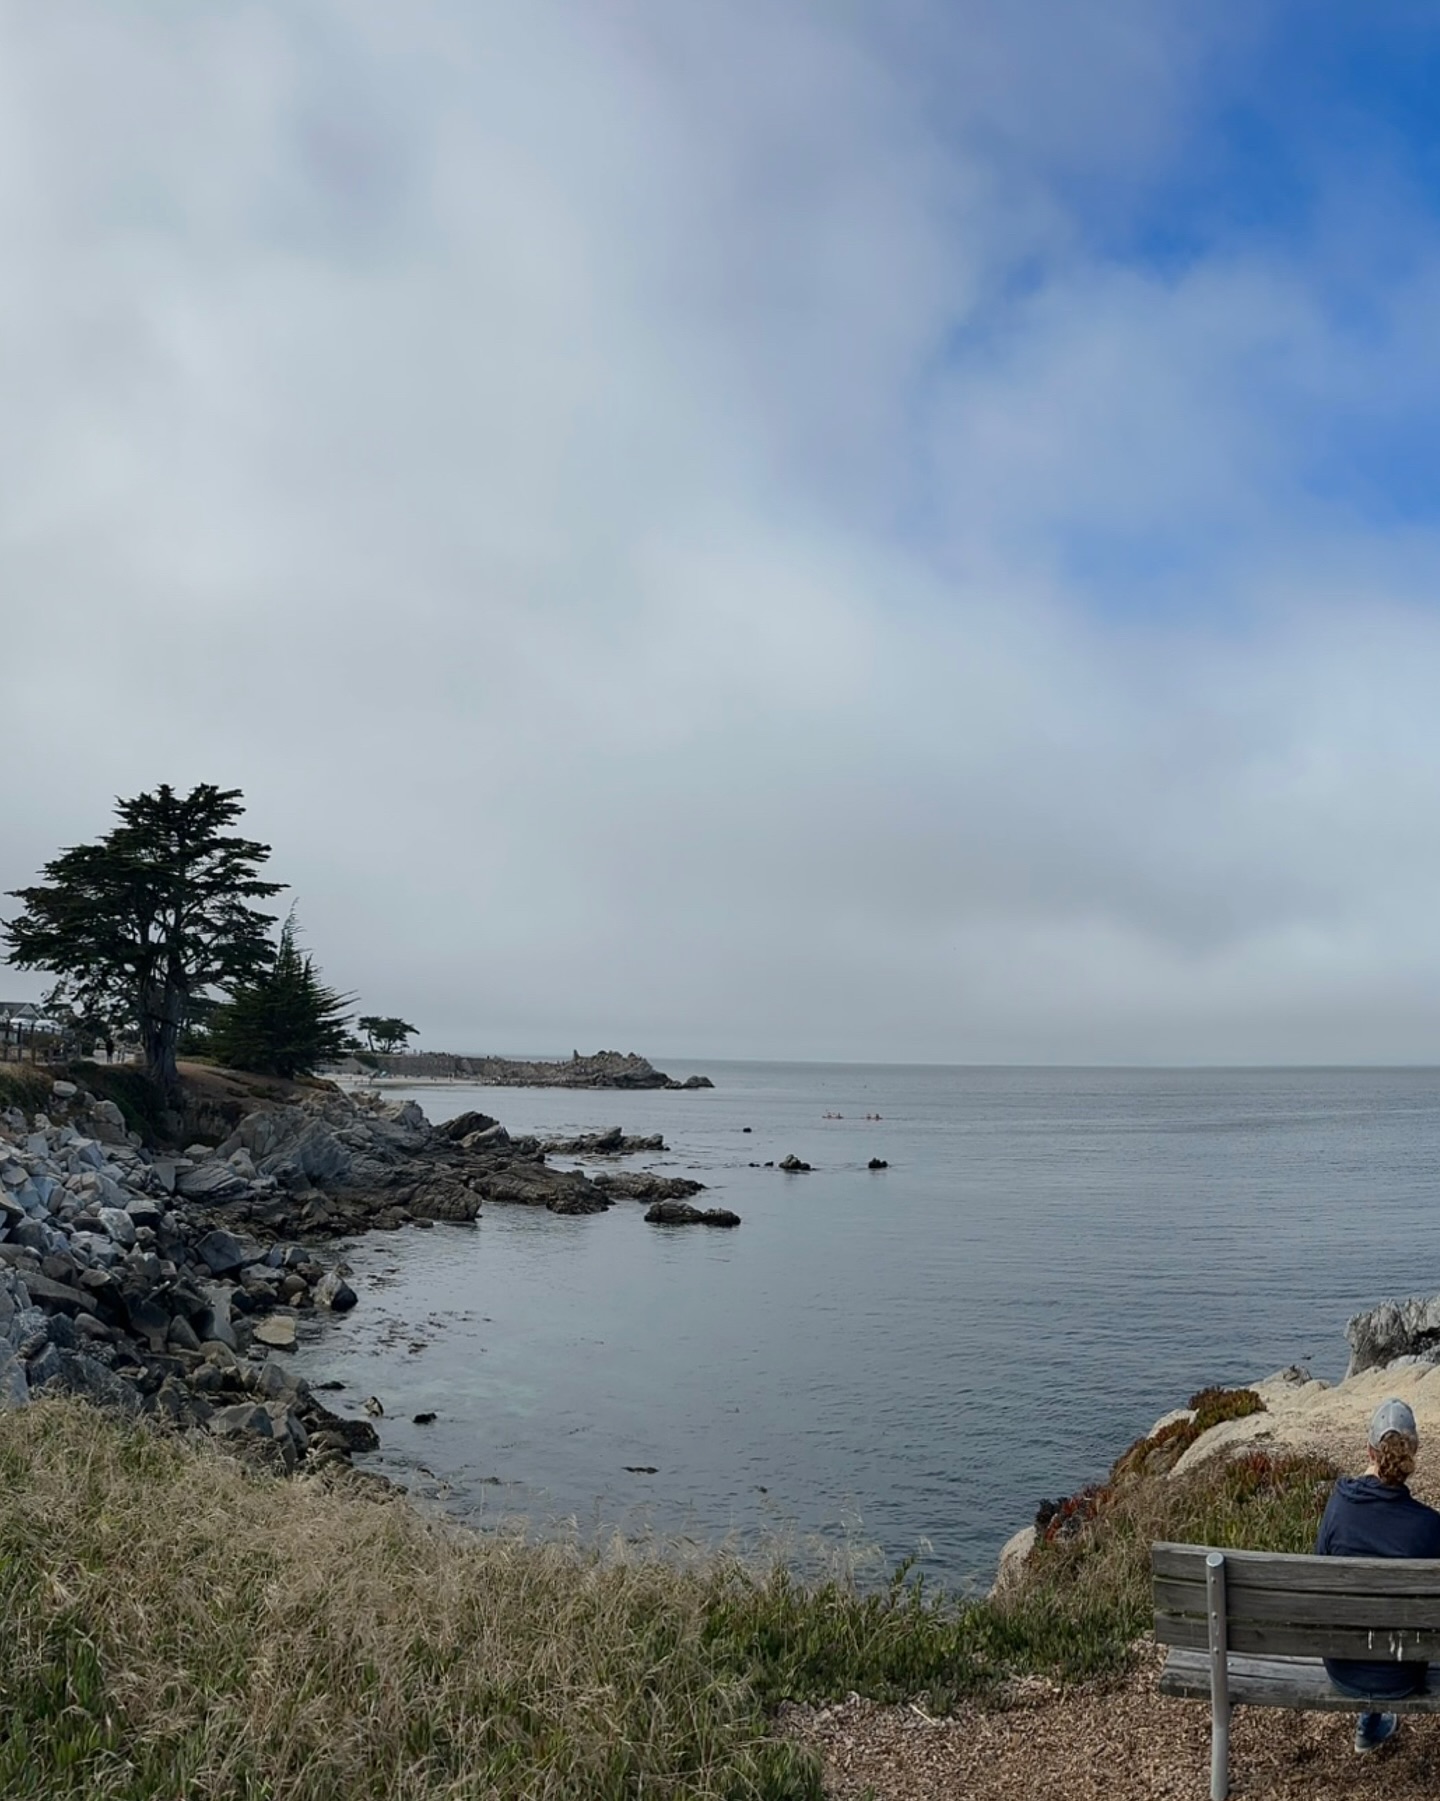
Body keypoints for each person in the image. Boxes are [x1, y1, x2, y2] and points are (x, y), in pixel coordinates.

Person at [1315, 1396, 1440, 1753]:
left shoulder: (1338, 1506)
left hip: (1342, 1667)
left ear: (1370, 1452)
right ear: (1413, 1453)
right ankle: (1370, 1726)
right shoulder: (1429, 1527)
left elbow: (1321, 1582)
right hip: (1403, 1674)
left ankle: (1369, 1724)